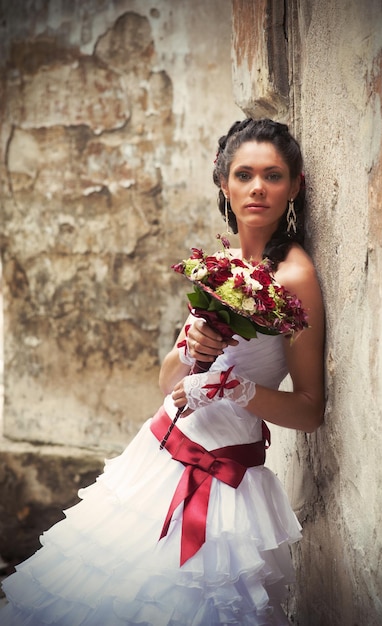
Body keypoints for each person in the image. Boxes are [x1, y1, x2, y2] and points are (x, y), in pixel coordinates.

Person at [0, 118, 325, 625]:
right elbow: (168, 383)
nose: (257, 187)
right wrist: (192, 350)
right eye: (244, 174)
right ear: (223, 182)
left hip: (223, 484)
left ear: (295, 185)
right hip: (156, 456)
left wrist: (233, 389)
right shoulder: (221, 262)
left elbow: (309, 411)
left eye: (274, 175)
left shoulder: (296, 276)